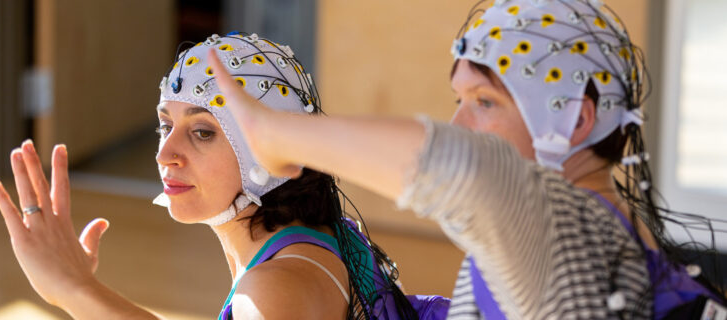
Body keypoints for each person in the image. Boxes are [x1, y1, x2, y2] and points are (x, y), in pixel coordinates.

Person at [201, 1, 727, 319]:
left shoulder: (568, 227)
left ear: (577, 120)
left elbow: (469, 172)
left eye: (485, 103)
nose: (460, 125)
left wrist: (275, 135)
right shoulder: (611, 226)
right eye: (460, 101)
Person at [0, 32, 444, 319]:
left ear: (271, 150)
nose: (166, 152)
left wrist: (72, 288)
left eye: (203, 132)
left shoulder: (275, 289)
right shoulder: (318, 233)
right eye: (166, 125)